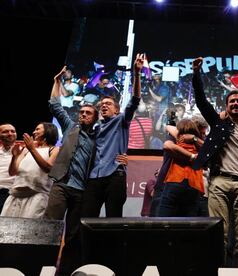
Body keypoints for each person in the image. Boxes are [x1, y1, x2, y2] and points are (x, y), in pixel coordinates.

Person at [192, 57, 238, 267]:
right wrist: (196, 74)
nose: (236, 104)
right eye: (232, 102)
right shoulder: (218, 124)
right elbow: (201, 101)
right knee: (220, 231)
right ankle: (218, 270)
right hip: (219, 182)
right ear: (226, 106)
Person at [44, 65, 100, 276]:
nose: (83, 115)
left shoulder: (98, 137)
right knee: (51, 227)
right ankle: (45, 267)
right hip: (61, 184)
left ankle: (66, 271)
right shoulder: (70, 127)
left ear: (94, 118)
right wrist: (57, 82)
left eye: (88, 113)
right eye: (82, 112)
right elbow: (55, 105)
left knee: (74, 234)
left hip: (81, 191)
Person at [81, 53, 143, 218]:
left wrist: (137, 74)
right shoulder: (93, 128)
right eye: (101, 105)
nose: (103, 106)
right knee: (87, 218)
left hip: (115, 175)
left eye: (108, 104)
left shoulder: (121, 120)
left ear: (116, 109)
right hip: (94, 177)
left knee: (113, 219)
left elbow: (135, 99)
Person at [1, 122, 59, 218]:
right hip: (15, 195)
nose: (34, 132)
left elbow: (48, 168)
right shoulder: (25, 150)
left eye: (37, 129)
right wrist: (14, 157)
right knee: (6, 229)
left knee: (29, 229)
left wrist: (32, 149)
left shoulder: (54, 149)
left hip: (36, 196)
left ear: (48, 131)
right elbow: (12, 172)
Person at [158, 119, 204, 216]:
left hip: (175, 180)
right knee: (188, 224)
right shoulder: (200, 146)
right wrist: (192, 156)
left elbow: (167, 145)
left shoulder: (178, 143)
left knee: (163, 220)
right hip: (194, 184)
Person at [0, 123, 18, 213]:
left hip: (11, 192)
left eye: (13, 131)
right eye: (5, 132)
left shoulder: (23, 151)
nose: (10, 134)